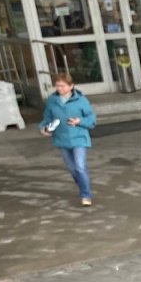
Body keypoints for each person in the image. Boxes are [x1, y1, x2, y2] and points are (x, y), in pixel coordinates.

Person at [39, 74, 98, 206]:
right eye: (57, 85)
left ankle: (85, 195)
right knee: (73, 169)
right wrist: (44, 128)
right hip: (62, 139)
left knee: (80, 166)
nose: (59, 88)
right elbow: (47, 118)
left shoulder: (81, 100)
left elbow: (91, 119)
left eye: (62, 86)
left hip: (79, 138)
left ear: (71, 86)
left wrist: (79, 121)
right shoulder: (52, 101)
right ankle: (83, 185)